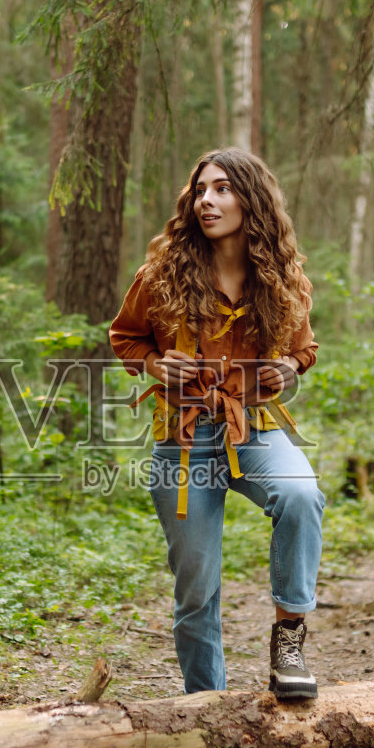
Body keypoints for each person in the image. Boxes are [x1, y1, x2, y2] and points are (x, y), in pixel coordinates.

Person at [109, 147, 325, 699]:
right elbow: (124, 337)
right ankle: (208, 708)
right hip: (183, 439)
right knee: (196, 590)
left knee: (300, 494)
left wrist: (286, 367)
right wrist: (157, 364)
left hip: (253, 427)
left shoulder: (283, 278)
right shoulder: (161, 275)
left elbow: (305, 349)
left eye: (223, 188)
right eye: (201, 189)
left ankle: (289, 642)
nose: (207, 200)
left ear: (251, 199)